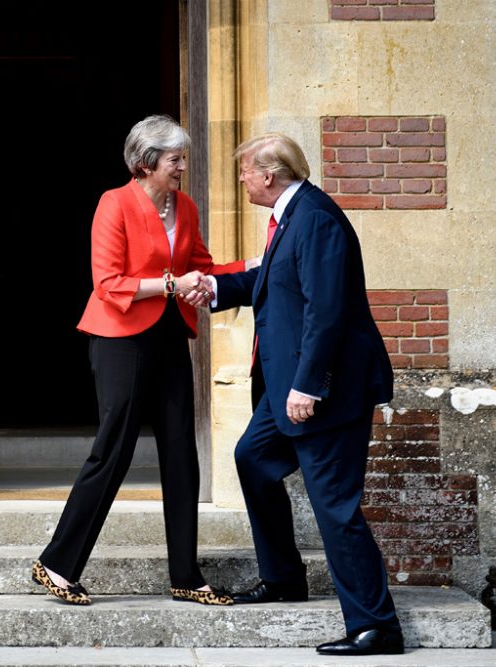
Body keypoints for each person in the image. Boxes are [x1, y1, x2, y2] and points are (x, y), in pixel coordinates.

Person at [190, 133, 404, 655]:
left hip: (323, 391)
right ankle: (284, 578)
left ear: (268, 174)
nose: (240, 180)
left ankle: (376, 625)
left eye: (244, 172)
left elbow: (325, 312)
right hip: (287, 385)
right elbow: (273, 279)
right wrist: (217, 287)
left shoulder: (316, 218)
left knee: (335, 506)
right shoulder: (294, 216)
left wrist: (308, 386)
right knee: (253, 458)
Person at [33, 115, 248, 607]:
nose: (182, 168)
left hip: (171, 336)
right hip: (120, 338)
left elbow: (204, 268)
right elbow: (108, 284)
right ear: (147, 162)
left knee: (181, 452)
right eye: (175, 160)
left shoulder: (186, 207)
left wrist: (260, 266)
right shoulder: (115, 203)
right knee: (114, 449)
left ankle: (186, 576)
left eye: (183, 159)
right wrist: (172, 285)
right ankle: (57, 563)